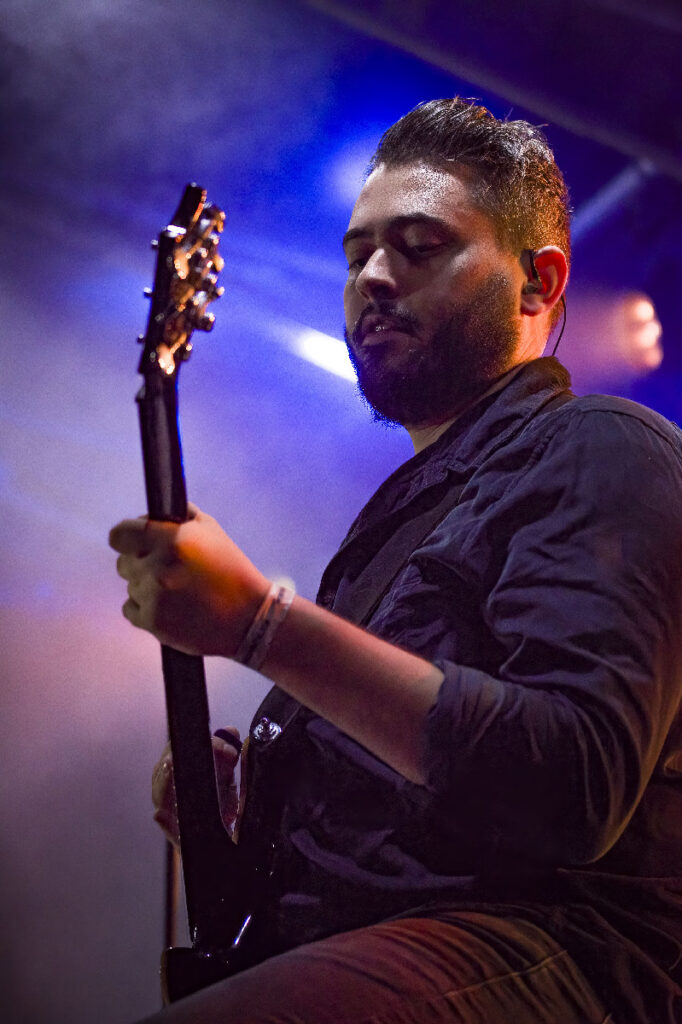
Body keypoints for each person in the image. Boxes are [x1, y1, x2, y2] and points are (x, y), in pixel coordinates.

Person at [110, 99, 682, 1023]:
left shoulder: (604, 446)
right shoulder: (403, 513)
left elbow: (574, 784)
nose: (374, 276)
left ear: (538, 282)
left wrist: (264, 626)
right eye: (357, 255)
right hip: (365, 945)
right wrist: (260, 803)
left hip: (538, 951)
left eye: (419, 246)